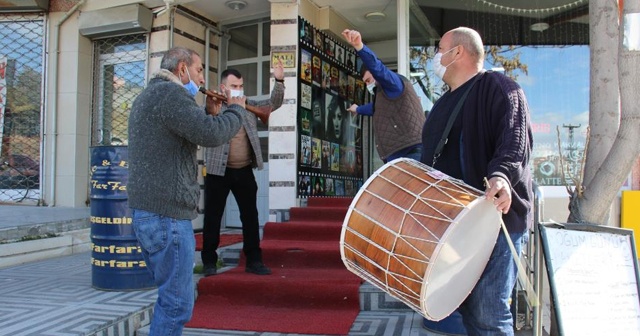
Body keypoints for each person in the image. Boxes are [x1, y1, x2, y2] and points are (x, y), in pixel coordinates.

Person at [421, 27, 533, 335]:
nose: (434, 57)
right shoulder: (442, 105)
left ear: (457, 52)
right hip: (455, 227)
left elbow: (514, 141)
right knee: (469, 313)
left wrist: (501, 176)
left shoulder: (500, 87)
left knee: (489, 314)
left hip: (494, 222)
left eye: (438, 49)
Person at [127, 47, 243, 336]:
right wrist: (236, 108)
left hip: (148, 214)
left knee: (169, 299)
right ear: (182, 69)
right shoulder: (171, 95)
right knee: (177, 304)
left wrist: (209, 114)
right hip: (167, 217)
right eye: (200, 69)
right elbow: (212, 135)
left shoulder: (147, 97)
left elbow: (186, 133)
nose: (202, 77)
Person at [201, 62, 285, 277]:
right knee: (212, 216)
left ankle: (254, 261)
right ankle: (209, 262)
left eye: (240, 85)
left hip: (244, 170)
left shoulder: (249, 105)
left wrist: (279, 80)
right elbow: (204, 127)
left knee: (250, 216)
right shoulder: (214, 106)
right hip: (217, 172)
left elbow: (273, 103)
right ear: (222, 87)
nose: (238, 89)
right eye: (233, 85)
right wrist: (211, 111)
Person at [341, 29, 425, 163]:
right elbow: (375, 108)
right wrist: (357, 109)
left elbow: (377, 68)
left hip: (409, 152)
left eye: (369, 80)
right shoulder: (384, 94)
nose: (368, 84)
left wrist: (360, 47)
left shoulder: (394, 83)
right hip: (401, 153)